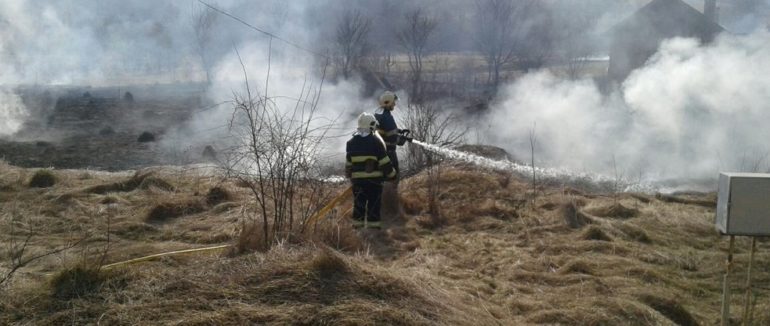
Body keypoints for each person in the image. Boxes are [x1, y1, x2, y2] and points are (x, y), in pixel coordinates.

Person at [346, 112, 397, 229]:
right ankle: (373, 233)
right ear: (371, 125)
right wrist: (393, 175)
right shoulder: (376, 142)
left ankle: (358, 232)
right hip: (374, 182)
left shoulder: (350, 143)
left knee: (359, 207)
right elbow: (385, 162)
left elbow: (349, 164)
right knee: (373, 207)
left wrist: (352, 177)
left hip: (358, 183)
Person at [373, 91, 409, 178]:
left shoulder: (379, 113)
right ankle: (390, 191)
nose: (394, 104)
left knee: (382, 175)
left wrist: (399, 131)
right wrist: (400, 140)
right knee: (393, 175)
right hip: (388, 151)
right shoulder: (386, 116)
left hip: (379, 151)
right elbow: (391, 136)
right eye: (393, 102)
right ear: (388, 102)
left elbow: (385, 130)